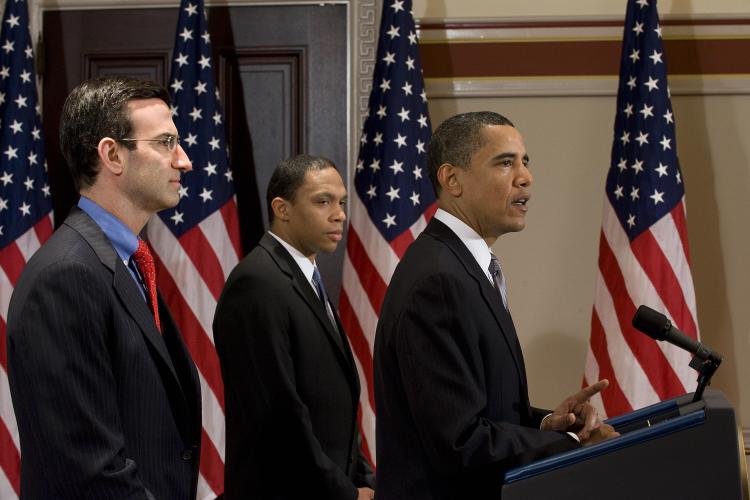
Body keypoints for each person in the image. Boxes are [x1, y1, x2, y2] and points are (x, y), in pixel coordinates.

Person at [373, 111, 619, 499]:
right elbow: (459, 441)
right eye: (505, 163)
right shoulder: (438, 281)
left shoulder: (461, 266)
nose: (525, 177)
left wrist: (546, 427)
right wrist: (572, 443)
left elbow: (482, 413)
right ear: (452, 179)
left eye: (525, 162)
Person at [6, 77, 201, 499]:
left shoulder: (127, 262)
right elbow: (89, 470)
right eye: (166, 142)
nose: (184, 160)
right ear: (112, 154)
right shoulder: (66, 276)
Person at [213, 154, 375, 499]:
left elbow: (331, 408)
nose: (340, 214)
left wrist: (364, 480)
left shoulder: (305, 279)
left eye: (342, 202)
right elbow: (280, 419)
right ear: (282, 208)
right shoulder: (257, 282)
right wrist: (345, 493)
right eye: (323, 201)